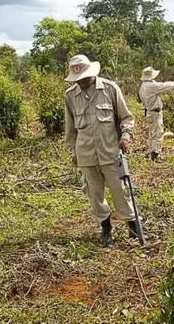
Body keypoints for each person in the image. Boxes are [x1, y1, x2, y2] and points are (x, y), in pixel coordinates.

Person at [63, 54, 139, 247]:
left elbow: (127, 118)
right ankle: (105, 228)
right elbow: (70, 129)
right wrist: (74, 152)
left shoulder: (110, 89)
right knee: (94, 194)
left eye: (84, 78)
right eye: (77, 79)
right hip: (86, 154)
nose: (81, 82)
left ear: (92, 74)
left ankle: (132, 225)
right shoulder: (70, 96)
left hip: (110, 152)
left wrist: (125, 137)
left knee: (120, 191)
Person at [138, 67, 174, 163]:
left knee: (152, 134)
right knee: (158, 133)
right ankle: (156, 155)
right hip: (154, 113)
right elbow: (163, 86)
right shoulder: (151, 86)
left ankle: (152, 153)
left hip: (149, 112)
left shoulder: (143, 86)